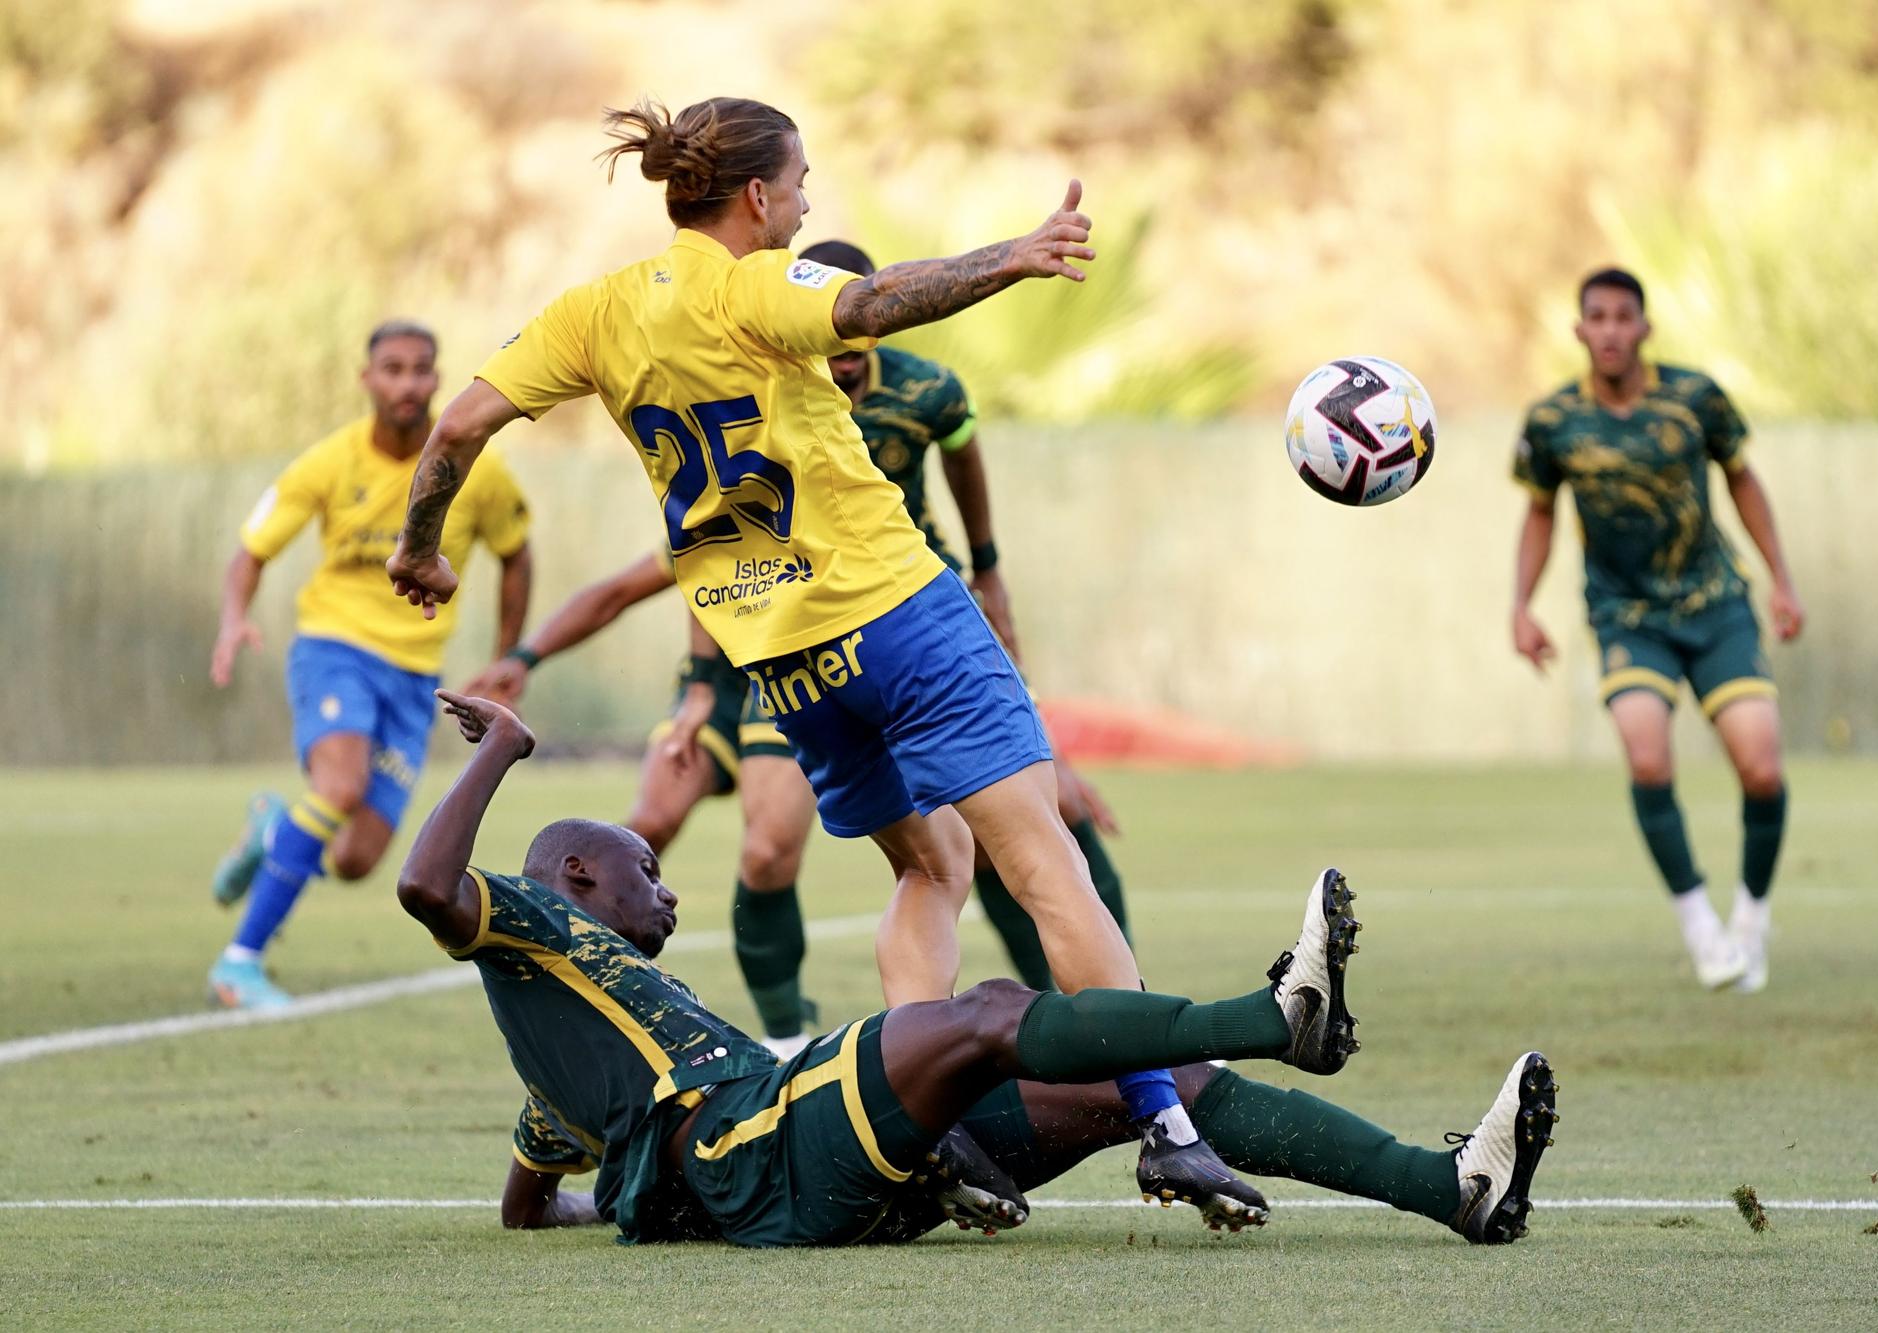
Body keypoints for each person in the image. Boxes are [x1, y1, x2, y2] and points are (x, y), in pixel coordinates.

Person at [384, 95, 1252, 1216]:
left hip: (780, 659)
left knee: (926, 869)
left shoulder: (589, 314)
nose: (806, 200)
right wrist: (1016, 257)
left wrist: (419, 546)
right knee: (1042, 863)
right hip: (895, 613)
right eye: (799, 182)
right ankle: (1166, 1120)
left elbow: (455, 430)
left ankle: (913, 1131)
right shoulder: (755, 280)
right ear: (755, 196)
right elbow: (880, 296)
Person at [399, 690, 1559, 1247]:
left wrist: (622, 1194)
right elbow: (426, 888)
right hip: (754, 1141)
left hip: (790, 1156)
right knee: (993, 1008)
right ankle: (1279, 1014)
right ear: (579, 882)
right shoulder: (542, 928)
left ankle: (1448, 1187)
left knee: (1156, 1089)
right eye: (643, 868)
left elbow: (525, 1205)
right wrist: (503, 745)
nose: (667, 887)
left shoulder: (569, 1062)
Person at [797, 238, 1131, 989]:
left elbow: (962, 449)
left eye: (860, 339)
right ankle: (1119, 1038)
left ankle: (1114, 1007)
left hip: (925, 595)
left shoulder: (928, 391)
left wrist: (988, 567)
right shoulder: (776, 389)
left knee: (1025, 816)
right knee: (965, 846)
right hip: (827, 623)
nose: (846, 358)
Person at [206, 321, 533, 1010]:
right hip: (335, 647)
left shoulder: (478, 467)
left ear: (438, 380)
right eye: (392, 369)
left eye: (420, 370)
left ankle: (274, 830)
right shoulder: (329, 462)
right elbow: (251, 548)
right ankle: (240, 961)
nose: (407, 383)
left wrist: (508, 655)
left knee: (356, 858)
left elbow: (516, 552)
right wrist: (235, 616)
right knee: (341, 784)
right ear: (367, 379)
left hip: (416, 678)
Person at [1511, 268, 1802, 992]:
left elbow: (1741, 478)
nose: (1610, 330)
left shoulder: (1695, 398)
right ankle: (1701, 925)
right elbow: (1541, 512)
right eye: (1596, 318)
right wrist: (1521, 605)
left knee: (1762, 768)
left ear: (1644, 328)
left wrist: (1782, 581)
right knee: (1647, 758)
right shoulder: (1553, 422)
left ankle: (1752, 920)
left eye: (1623, 317)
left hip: (1715, 603)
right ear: (1580, 330)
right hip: (1626, 615)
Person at [463, 545, 823, 1055]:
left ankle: (785, 1039)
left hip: (796, 664)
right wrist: (524, 660)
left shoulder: (812, 492)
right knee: (640, 831)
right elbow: (614, 594)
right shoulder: (704, 497)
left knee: (766, 854)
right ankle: (579, 987)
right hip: (717, 681)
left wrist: (983, 568)